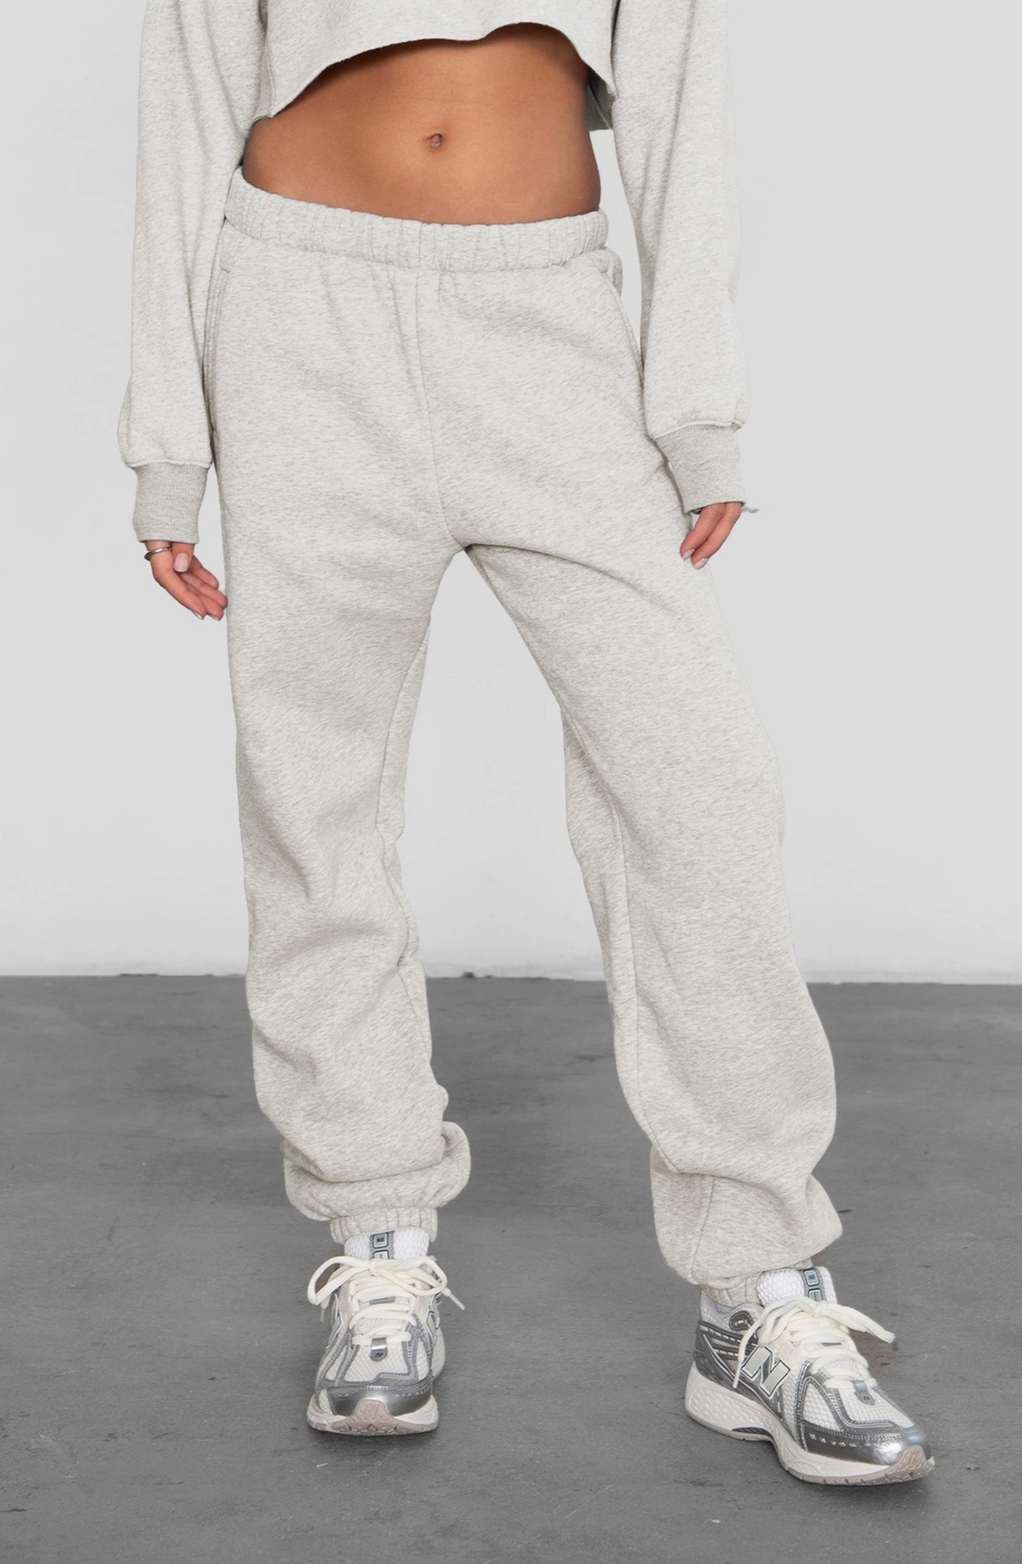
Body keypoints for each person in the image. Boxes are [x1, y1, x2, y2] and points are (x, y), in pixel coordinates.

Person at [121, 1, 933, 1484]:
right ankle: (377, 1235)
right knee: (315, 797)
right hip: (296, 316)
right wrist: (168, 444)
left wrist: (697, 407)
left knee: (697, 789)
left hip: (545, 324)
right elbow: (187, 98)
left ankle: (754, 1287)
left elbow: (680, 103)